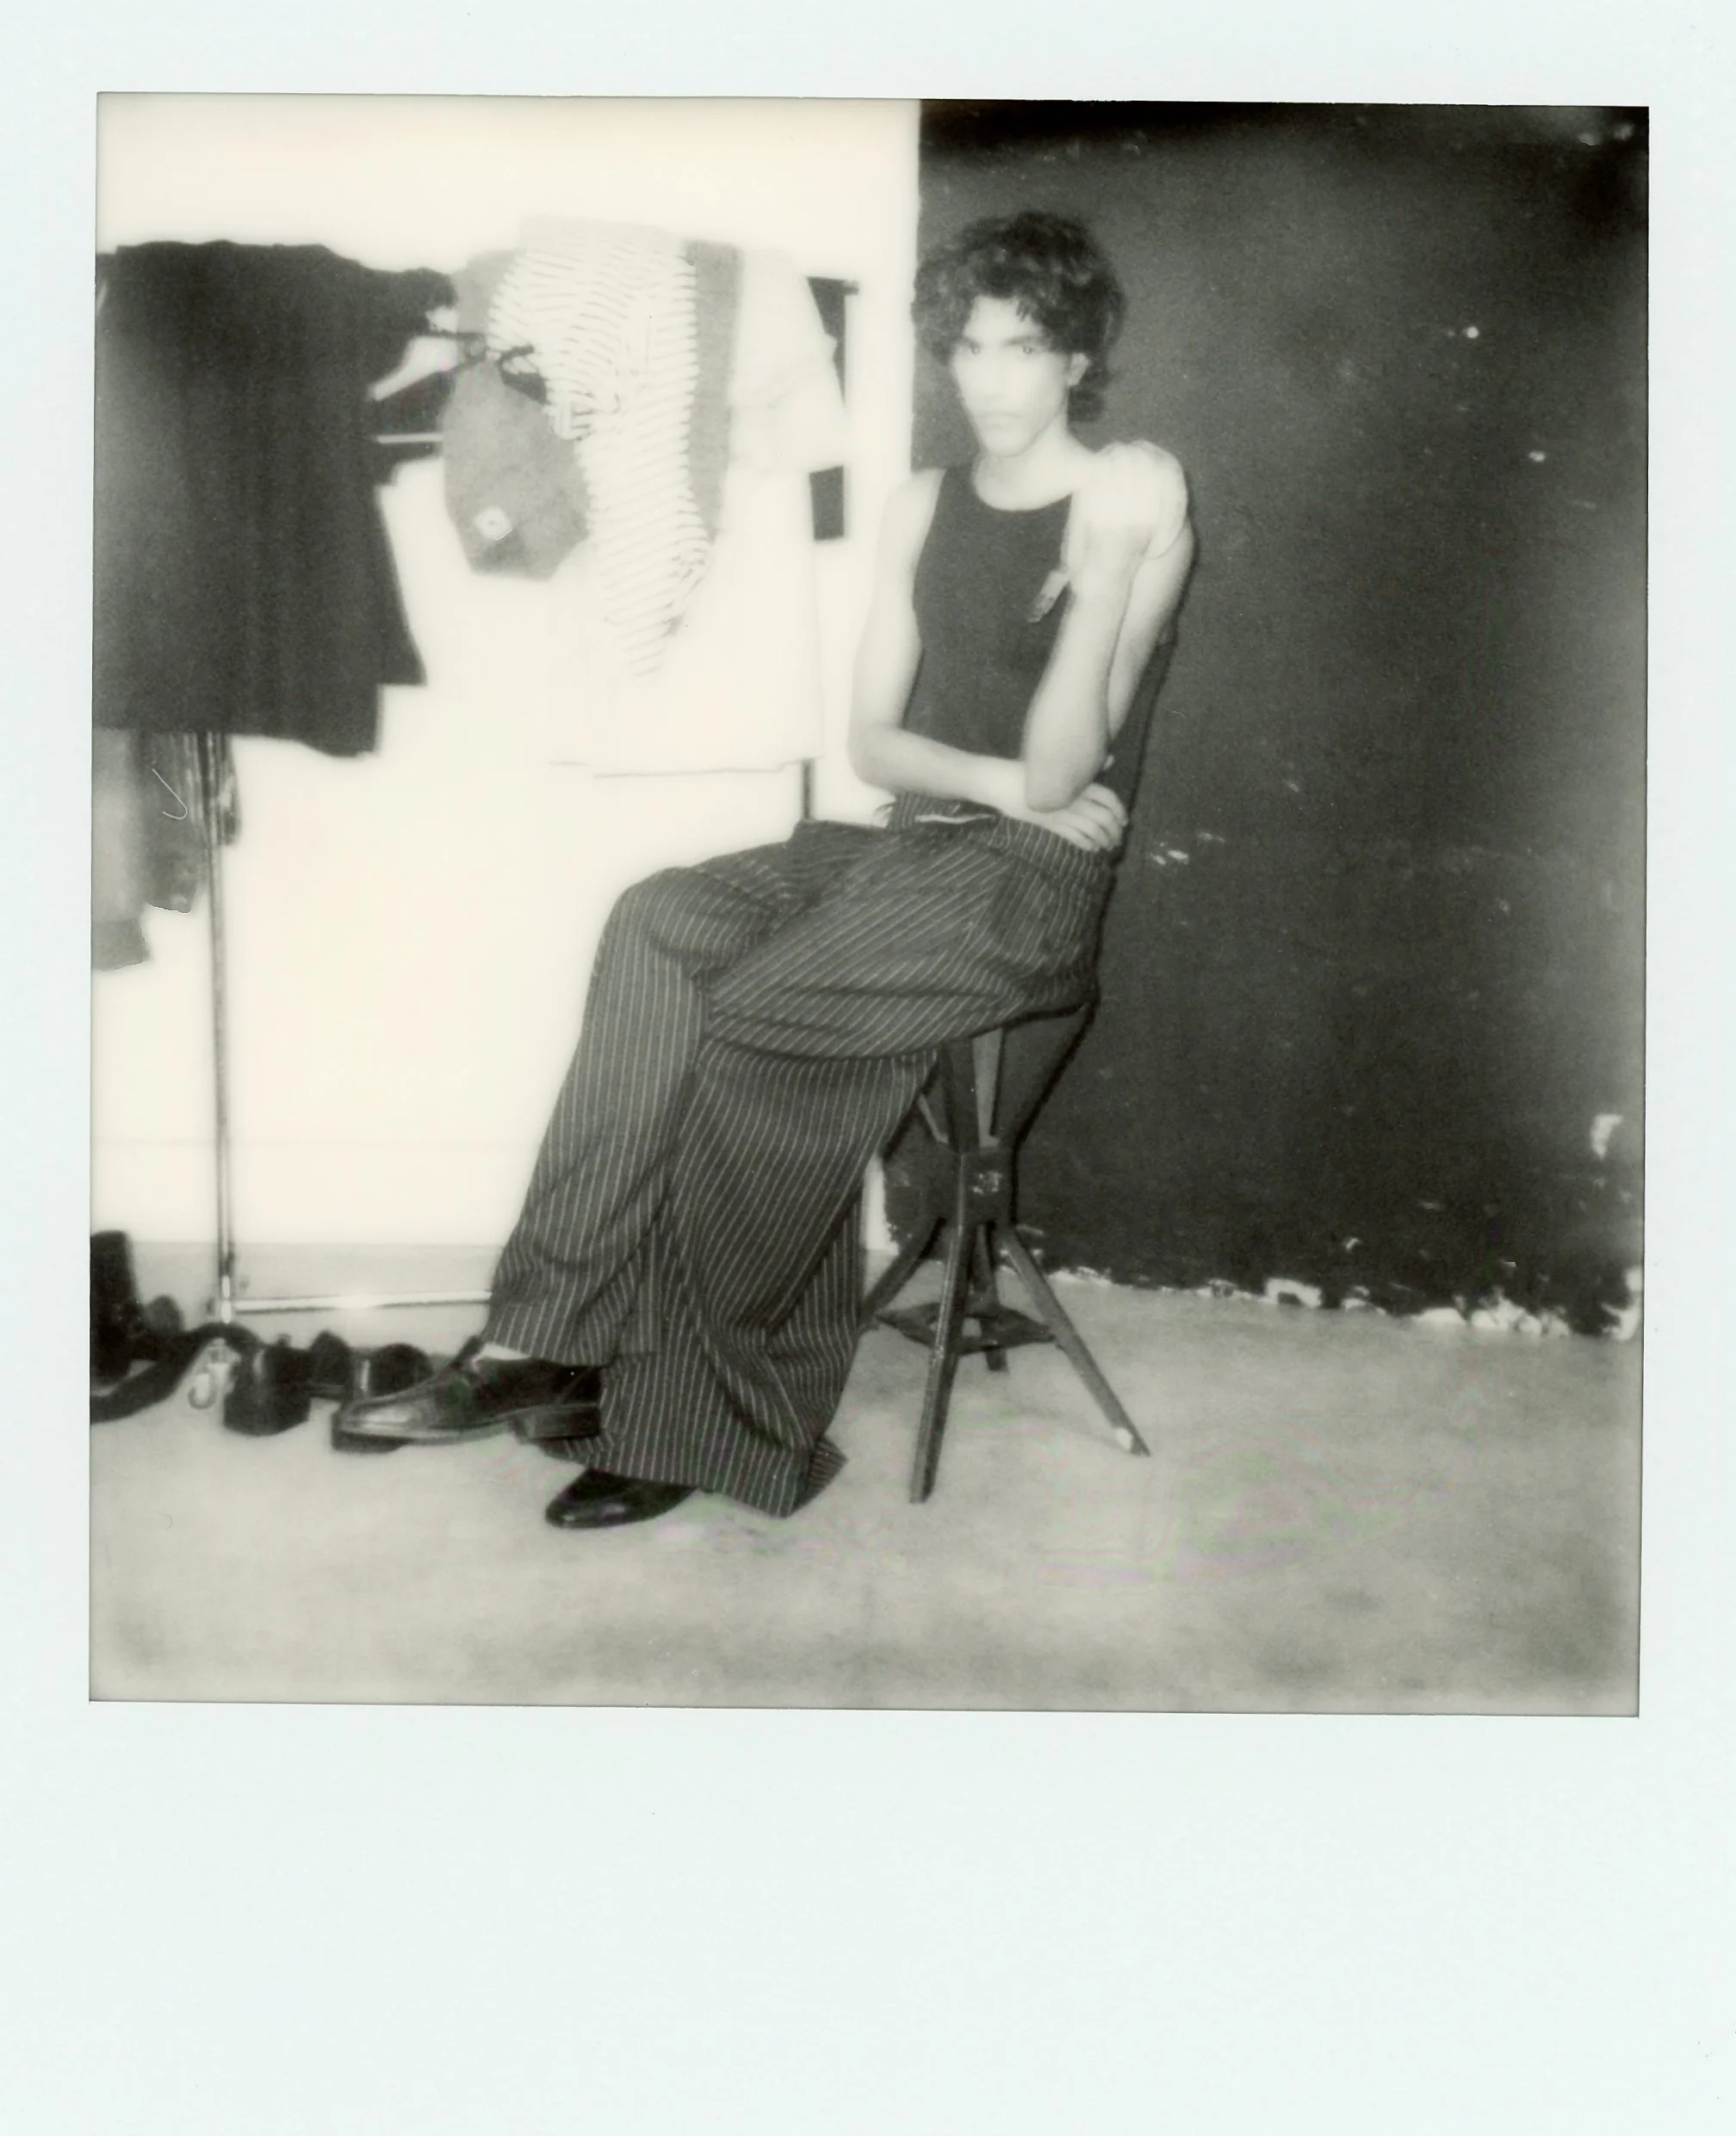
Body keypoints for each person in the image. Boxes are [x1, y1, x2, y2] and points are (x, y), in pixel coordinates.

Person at [333, 211, 1195, 1530]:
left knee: (762, 1017)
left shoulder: (1140, 503)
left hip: (1025, 887)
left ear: (1078, 360)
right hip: (916, 844)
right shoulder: (923, 505)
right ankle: (552, 1338)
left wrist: (1107, 565)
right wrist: (979, 781)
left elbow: (1067, 763)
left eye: (1023, 348)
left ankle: (698, 1419)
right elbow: (874, 744)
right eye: (966, 346)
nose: (990, 379)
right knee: (660, 921)